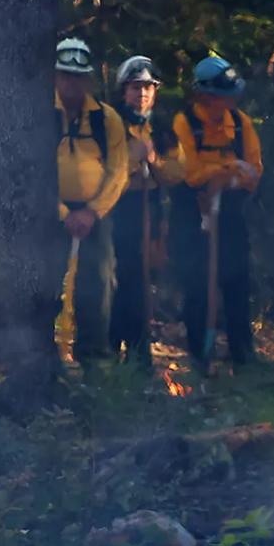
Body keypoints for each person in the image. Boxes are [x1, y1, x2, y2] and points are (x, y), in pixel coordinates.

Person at [170, 54, 261, 370]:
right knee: (196, 283)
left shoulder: (241, 123)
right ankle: (199, 353)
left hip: (231, 212)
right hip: (192, 213)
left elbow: (254, 173)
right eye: (222, 96)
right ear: (204, 95)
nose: (228, 101)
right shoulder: (184, 124)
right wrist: (228, 168)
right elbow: (191, 173)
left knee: (236, 280)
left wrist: (229, 176)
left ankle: (242, 354)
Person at [55, 37, 129, 366]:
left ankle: (93, 360)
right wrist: (61, 213)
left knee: (97, 286)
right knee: (44, 285)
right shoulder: (40, 113)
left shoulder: (106, 119)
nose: (71, 82)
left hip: (95, 215)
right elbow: (31, 170)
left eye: (77, 76)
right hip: (50, 214)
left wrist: (92, 212)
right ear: (56, 76)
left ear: (87, 79)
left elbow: (118, 171)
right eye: (65, 75)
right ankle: (45, 356)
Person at [109, 55, 182, 367]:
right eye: (136, 87)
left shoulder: (162, 128)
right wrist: (129, 161)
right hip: (116, 209)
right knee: (117, 279)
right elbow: (102, 170)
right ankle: (112, 348)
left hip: (149, 210)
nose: (142, 94)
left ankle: (139, 353)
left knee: (141, 281)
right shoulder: (110, 123)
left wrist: (153, 160)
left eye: (148, 88)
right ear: (124, 90)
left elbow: (179, 171)